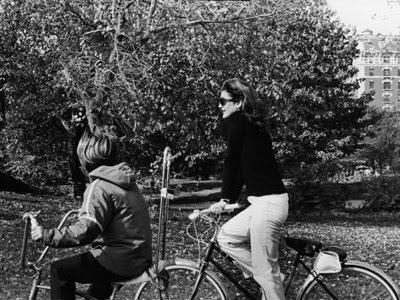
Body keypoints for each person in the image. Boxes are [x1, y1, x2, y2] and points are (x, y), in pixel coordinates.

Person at [30, 126, 152, 300]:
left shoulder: (99, 186)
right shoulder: (126, 182)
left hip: (119, 261)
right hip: (138, 257)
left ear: (85, 161)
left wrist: (48, 235)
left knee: (59, 271)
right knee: (96, 291)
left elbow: (87, 230)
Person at [208, 78, 289, 300]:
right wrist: (228, 199)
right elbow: (243, 170)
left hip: (269, 203)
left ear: (239, 101)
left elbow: (231, 162)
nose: (219, 106)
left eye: (223, 101)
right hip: (264, 202)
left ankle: (270, 279)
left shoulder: (237, 122)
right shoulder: (251, 124)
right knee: (225, 237)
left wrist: (225, 197)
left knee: (266, 272)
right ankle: (272, 279)